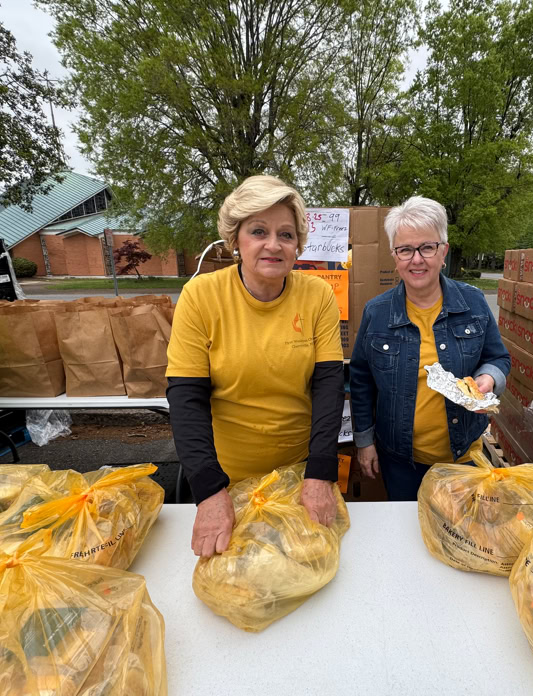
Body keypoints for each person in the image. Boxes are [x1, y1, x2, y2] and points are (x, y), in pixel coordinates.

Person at [166, 175, 346, 557]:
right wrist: (209, 491)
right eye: (259, 231)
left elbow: (329, 389)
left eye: (286, 234)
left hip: (299, 477)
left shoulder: (318, 296)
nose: (273, 245)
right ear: (235, 239)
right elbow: (186, 400)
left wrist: (320, 474)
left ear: (298, 245)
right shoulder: (200, 297)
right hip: (228, 480)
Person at [349, 196, 510, 500]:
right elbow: (361, 380)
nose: (416, 259)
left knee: (459, 527)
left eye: (427, 247)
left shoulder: (473, 302)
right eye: (405, 250)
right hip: (400, 461)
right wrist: (364, 442)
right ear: (394, 256)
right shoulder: (377, 313)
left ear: (443, 251)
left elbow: (497, 357)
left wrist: (488, 378)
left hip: (463, 457)